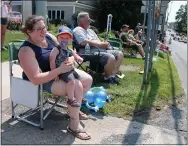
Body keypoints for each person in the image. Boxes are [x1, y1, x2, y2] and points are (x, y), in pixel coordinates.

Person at [18, 15, 92, 140]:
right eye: (39, 29)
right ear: (29, 31)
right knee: (77, 85)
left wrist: (71, 58)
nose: (44, 31)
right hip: (43, 79)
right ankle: (74, 124)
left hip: (60, 71)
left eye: (44, 27)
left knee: (88, 79)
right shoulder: (26, 50)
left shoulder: (48, 37)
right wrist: (59, 70)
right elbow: (35, 79)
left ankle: (73, 109)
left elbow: (64, 48)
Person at [73, 12, 124, 85]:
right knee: (110, 57)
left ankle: (112, 75)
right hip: (87, 52)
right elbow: (83, 42)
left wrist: (104, 43)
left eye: (89, 19)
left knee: (119, 54)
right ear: (81, 21)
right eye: (88, 19)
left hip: (100, 50)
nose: (90, 21)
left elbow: (99, 41)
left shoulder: (90, 30)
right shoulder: (78, 30)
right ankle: (107, 77)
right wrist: (100, 44)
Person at [50, 26, 83, 107]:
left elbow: (75, 56)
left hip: (69, 69)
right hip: (61, 71)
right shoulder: (56, 49)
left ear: (70, 40)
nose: (64, 40)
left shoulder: (69, 49)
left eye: (67, 38)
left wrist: (78, 58)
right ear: (57, 38)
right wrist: (55, 74)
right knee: (71, 81)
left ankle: (79, 96)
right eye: (62, 37)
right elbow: (52, 61)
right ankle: (71, 99)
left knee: (78, 79)